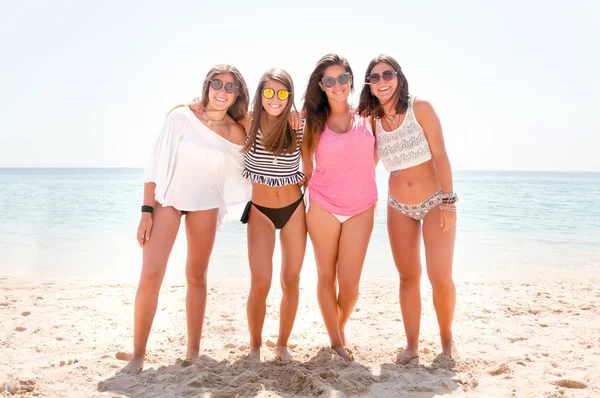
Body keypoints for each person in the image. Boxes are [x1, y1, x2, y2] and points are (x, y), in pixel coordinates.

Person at [122, 64, 251, 374]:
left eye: (230, 87)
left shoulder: (235, 130)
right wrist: (145, 212)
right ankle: (138, 355)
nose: (222, 91)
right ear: (206, 87)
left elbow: (257, 148)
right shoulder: (181, 117)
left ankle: (193, 352)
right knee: (151, 272)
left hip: (206, 203)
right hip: (168, 200)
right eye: (217, 84)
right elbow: (156, 162)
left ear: (237, 94)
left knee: (197, 276)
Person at [357, 54, 458, 364]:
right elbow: (366, 164)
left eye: (388, 74)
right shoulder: (372, 121)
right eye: (375, 77)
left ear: (398, 78)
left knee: (440, 276)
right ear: (370, 86)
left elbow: (440, 155)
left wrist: (449, 202)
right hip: (398, 205)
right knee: (407, 277)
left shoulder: (421, 107)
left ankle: (446, 339)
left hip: (434, 201)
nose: (382, 81)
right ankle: (412, 346)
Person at [301, 54, 378, 361]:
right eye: (329, 81)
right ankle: (336, 342)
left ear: (350, 79)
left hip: (361, 207)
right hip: (322, 206)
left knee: (350, 287)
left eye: (342, 78)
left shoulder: (369, 116)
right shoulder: (312, 122)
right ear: (321, 85)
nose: (337, 86)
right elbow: (306, 169)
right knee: (325, 276)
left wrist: (357, 178)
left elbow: (376, 155)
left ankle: (338, 327)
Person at [239, 67, 307, 362]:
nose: (275, 99)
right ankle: (255, 346)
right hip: (261, 212)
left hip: (294, 209)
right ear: (260, 94)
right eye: (269, 92)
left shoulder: (298, 123)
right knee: (261, 282)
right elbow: (211, 115)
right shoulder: (248, 121)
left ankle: (281, 344)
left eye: (282, 93)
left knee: (290, 279)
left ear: (290, 96)